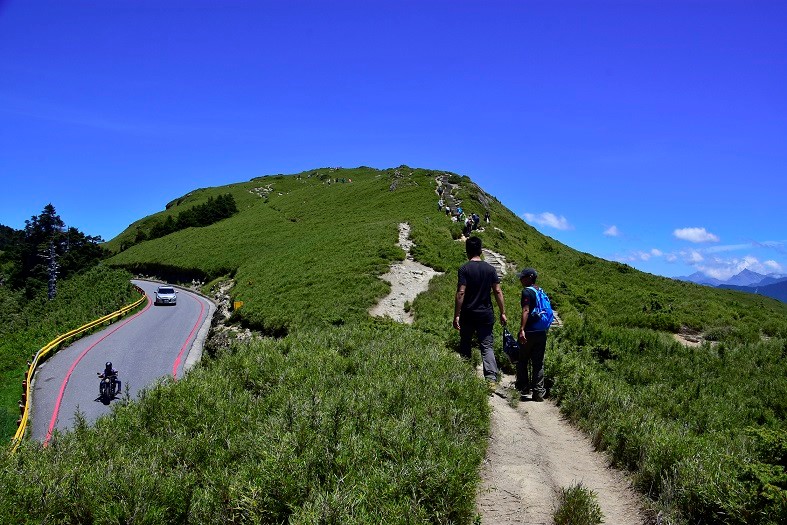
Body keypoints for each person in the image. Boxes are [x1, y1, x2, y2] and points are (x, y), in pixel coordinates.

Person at [454, 236, 507, 391]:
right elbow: (497, 291)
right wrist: (503, 312)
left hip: (468, 314)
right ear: (481, 250)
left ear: (467, 251)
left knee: (465, 343)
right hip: (486, 314)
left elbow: (461, 293)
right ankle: (491, 380)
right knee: (487, 346)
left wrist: (456, 315)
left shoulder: (464, 269)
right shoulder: (490, 269)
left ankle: (466, 375)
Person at [516, 268, 547, 401]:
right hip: (541, 332)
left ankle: (523, 388)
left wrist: (522, 329)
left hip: (529, 331)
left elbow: (526, 310)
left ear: (529, 277)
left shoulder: (527, 291)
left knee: (522, 359)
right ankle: (538, 392)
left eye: (522, 277)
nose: (520, 279)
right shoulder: (540, 291)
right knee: (538, 363)